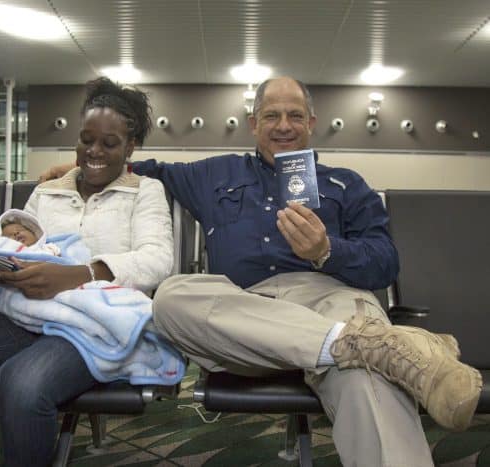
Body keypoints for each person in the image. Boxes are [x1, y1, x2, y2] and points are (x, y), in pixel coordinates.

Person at [41, 77, 482, 466]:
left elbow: (385, 262)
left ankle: (356, 347)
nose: (283, 125)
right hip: (243, 313)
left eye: (294, 115)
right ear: (254, 123)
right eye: (271, 115)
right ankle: (369, 344)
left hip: (329, 298)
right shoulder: (213, 174)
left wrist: (327, 250)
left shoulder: (346, 184)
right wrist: (82, 171)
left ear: (312, 121)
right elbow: (135, 167)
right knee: (172, 296)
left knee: (366, 377)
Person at [0, 77, 175, 466]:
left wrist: (80, 273)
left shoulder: (144, 191)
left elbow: (156, 260)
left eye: (109, 143)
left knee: (22, 383)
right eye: (86, 140)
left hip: (93, 325)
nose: (93, 151)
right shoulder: (48, 191)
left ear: (130, 148)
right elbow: (18, 236)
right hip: (24, 314)